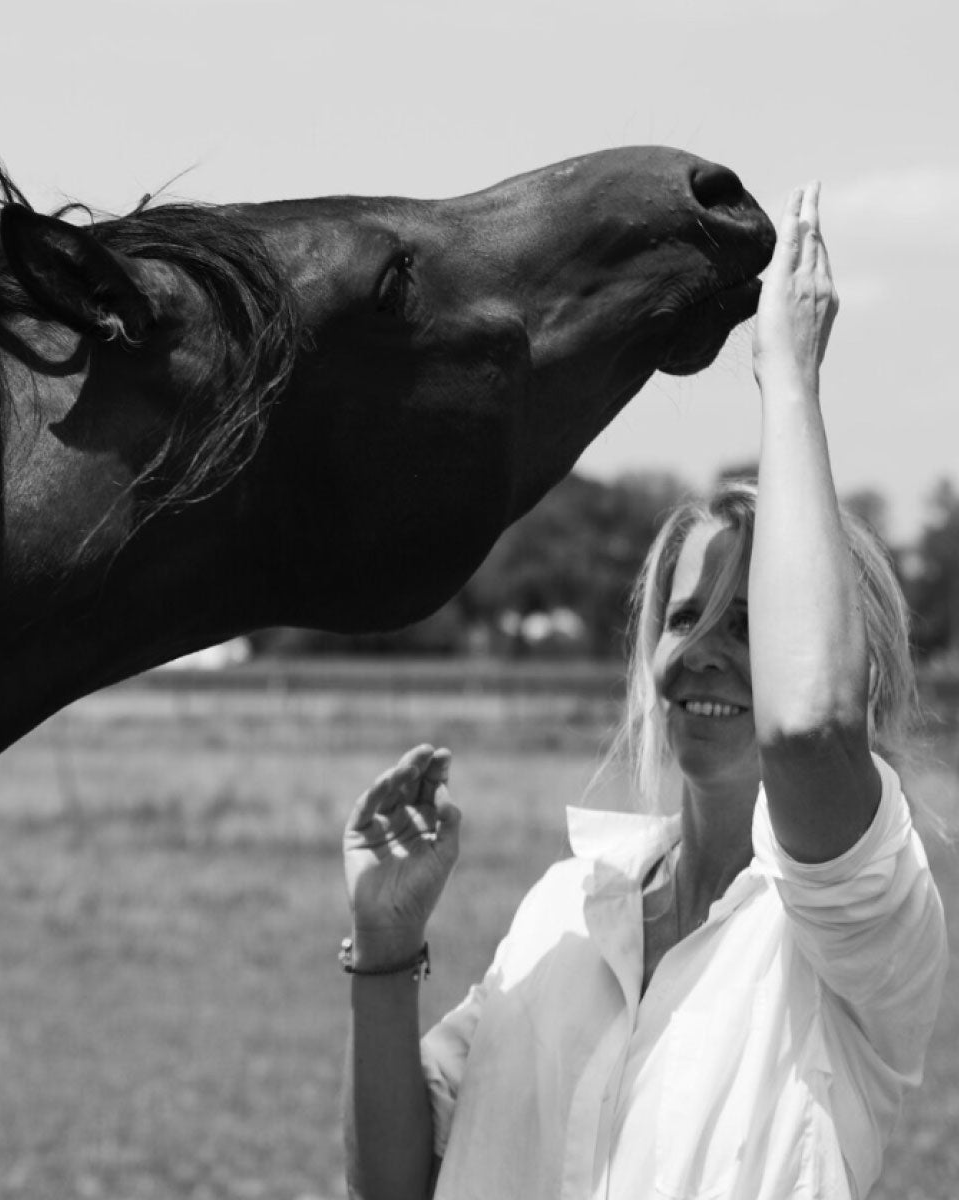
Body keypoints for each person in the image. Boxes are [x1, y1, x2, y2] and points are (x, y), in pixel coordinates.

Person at [341, 184, 948, 1200]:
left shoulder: (857, 921)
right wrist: (385, 946)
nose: (704, 652)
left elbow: (805, 727)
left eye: (749, 625)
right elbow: (390, 1184)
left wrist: (787, 379)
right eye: (682, 618)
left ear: (842, 660)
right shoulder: (564, 909)